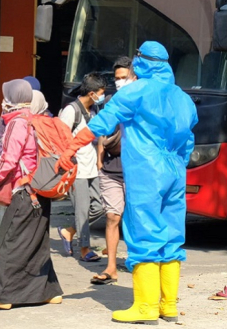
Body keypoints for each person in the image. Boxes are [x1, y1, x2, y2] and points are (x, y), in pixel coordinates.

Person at [55, 42, 198, 324]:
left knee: (143, 234)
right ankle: (167, 305)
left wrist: (69, 149)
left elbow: (99, 124)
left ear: (142, 62)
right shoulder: (183, 97)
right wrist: (177, 165)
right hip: (174, 171)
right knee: (171, 235)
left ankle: (145, 308)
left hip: (146, 171)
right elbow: (189, 139)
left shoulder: (135, 92)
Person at [0, 79, 63, 309]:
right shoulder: (36, 119)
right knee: (37, 244)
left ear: (11, 99)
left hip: (24, 192)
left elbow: (9, 160)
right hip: (40, 190)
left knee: (9, 242)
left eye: (6, 96)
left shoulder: (17, 123)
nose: (3, 101)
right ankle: (49, 291)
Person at [91, 57, 137, 285]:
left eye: (124, 78)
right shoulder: (109, 102)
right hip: (110, 169)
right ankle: (111, 267)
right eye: (117, 78)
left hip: (136, 170)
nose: (119, 82)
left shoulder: (141, 101)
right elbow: (101, 131)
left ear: (134, 76)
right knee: (112, 216)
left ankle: (138, 262)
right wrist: (100, 159)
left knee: (136, 218)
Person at [57, 73, 106, 262]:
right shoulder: (71, 111)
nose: (101, 97)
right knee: (82, 209)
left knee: (100, 205)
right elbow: (60, 139)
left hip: (92, 166)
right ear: (92, 93)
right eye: (100, 93)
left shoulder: (93, 110)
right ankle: (84, 248)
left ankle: (69, 231)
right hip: (76, 169)